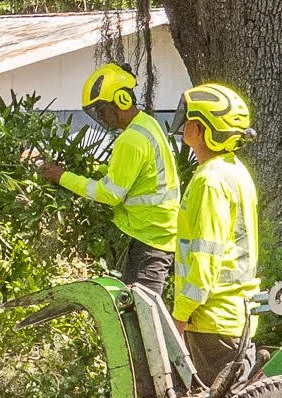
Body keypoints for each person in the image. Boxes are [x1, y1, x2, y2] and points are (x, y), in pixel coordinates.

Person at [36, 62, 178, 296]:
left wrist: (62, 177)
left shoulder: (131, 139)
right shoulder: (147, 124)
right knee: (139, 310)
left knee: (143, 317)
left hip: (150, 239)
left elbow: (109, 194)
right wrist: (96, 170)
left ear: (121, 100)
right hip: (156, 235)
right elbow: (134, 176)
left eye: (101, 110)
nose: (101, 117)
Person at [171, 82, 260, 383]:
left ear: (202, 129)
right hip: (236, 317)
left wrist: (180, 318)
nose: (184, 124)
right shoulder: (235, 171)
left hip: (212, 323)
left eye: (190, 120)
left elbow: (205, 258)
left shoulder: (210, 181)